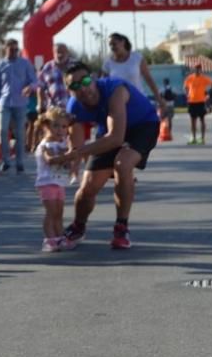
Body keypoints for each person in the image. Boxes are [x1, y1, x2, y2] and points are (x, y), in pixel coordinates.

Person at [55, 62, 160, 250]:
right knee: (88, 186)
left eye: (86, 81)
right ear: (69, 91)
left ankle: (121, 227)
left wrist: (78, 153)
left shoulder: (115, 90)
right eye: (76, 86)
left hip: (143, 126)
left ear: (94, 79)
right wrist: (70, 162)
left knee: (122, 164)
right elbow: (77, 146)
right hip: (108, 131)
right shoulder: (74, 107)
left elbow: (116, 138)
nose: (84, 88)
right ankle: (78, 226)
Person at [0, 38, 37, 173]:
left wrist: (30, 87)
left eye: (17, 49)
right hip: (4, 102)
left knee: (19, 133)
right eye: (12, 49)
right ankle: (5, 161)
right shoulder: (0, 65)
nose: (15, 52)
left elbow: (35, 81)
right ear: (6, 49)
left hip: (20, 103)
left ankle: (19, 162)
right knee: (2, 131)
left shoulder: (25, 64)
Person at [32, 107, 70, 252]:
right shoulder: (44, 145)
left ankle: (60, 237)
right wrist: (66, 156)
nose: (60, 130)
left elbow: (67, 162)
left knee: (59, 212)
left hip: (59, 182)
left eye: (64, 126)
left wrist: (69, 159)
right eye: (56, 126)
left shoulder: (63, 144)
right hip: (47, 182)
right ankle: (49, 239)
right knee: (51, 212)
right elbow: (50, 160)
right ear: (47, 126)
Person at [103, 32, 163, 103]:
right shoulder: (108, 63)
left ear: (122, 42)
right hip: (118, 104)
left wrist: (159, 99)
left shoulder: (137, 58)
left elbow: (149, 80)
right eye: (110, 45)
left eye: (114, 44)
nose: (112, 47)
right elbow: (105, 85)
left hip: (138, 101)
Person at [183, 63, 212, 144]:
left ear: (201, 69)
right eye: (196, 68)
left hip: (201, 102)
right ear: (194, 69)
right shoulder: (189, 78)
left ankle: (202, 138)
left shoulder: (204, 78)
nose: (197, 70)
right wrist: (187, 94)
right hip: (192, 102)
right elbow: (185, 87)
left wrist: (208, 95)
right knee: (193, 121)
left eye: (199, 68)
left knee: (202, 120)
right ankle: (193, 138)